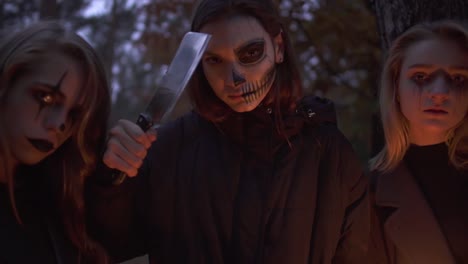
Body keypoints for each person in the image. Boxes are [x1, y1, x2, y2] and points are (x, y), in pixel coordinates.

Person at [88, 0, 369, 263]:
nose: (234, 79)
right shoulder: (168, 150)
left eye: (250, 53)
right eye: (214, 61)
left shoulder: (329, 154)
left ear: (279, 47)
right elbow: (104, 244)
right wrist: (111, 180)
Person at [0, 21, 110, 263]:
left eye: (74, 114)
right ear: (6, 82)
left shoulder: (60, 206)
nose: (59, 124)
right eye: (46, 97)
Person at [368, 20, 468, 264]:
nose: (440, 91)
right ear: (396, 86)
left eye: (458, 79)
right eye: (421, 76)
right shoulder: (365, 193)